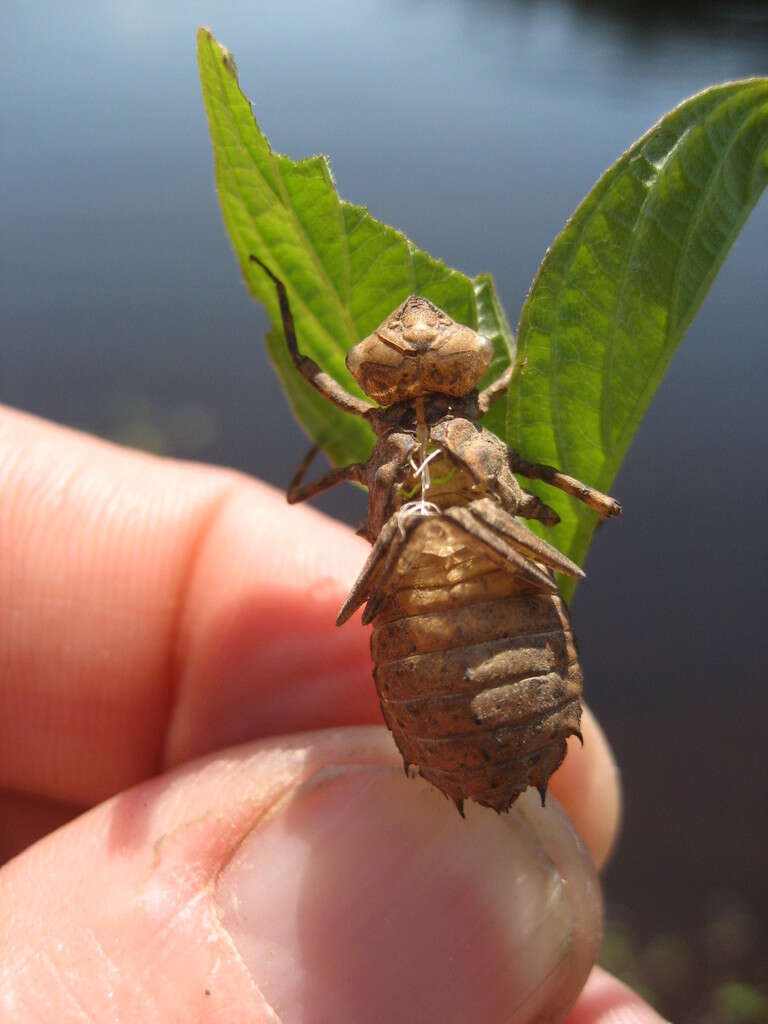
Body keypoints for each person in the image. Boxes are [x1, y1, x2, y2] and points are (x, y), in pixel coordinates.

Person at [0, 406, 665, 1022]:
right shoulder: (479, 446)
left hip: (452, 653)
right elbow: (566, 508)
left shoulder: (385, 464)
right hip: (487, 631)